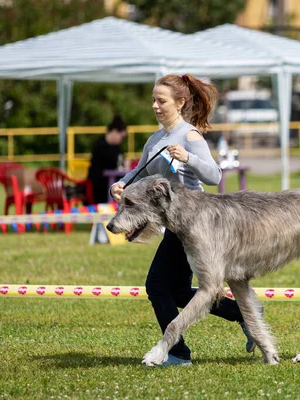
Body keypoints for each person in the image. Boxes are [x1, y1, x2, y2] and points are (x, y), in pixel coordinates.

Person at [110, 74, 256, 366]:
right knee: (175, 291)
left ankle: (178, 353)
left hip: (195, 223)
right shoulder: (156, 138)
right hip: (173, 223)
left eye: (161, 100)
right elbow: (141, 172)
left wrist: (189, 158)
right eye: (153, 99)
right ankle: (243, 313)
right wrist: (121, 184)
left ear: (179, 102)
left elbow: (214, 176)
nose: (155, 105)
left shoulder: (190, 136)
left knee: (157, 286)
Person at [87, 116, 127, 204]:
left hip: (111, 183)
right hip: (99, 186)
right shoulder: (99, 146)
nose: (121, 140)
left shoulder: (117, 148)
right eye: (122, 137)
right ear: (115, 132)